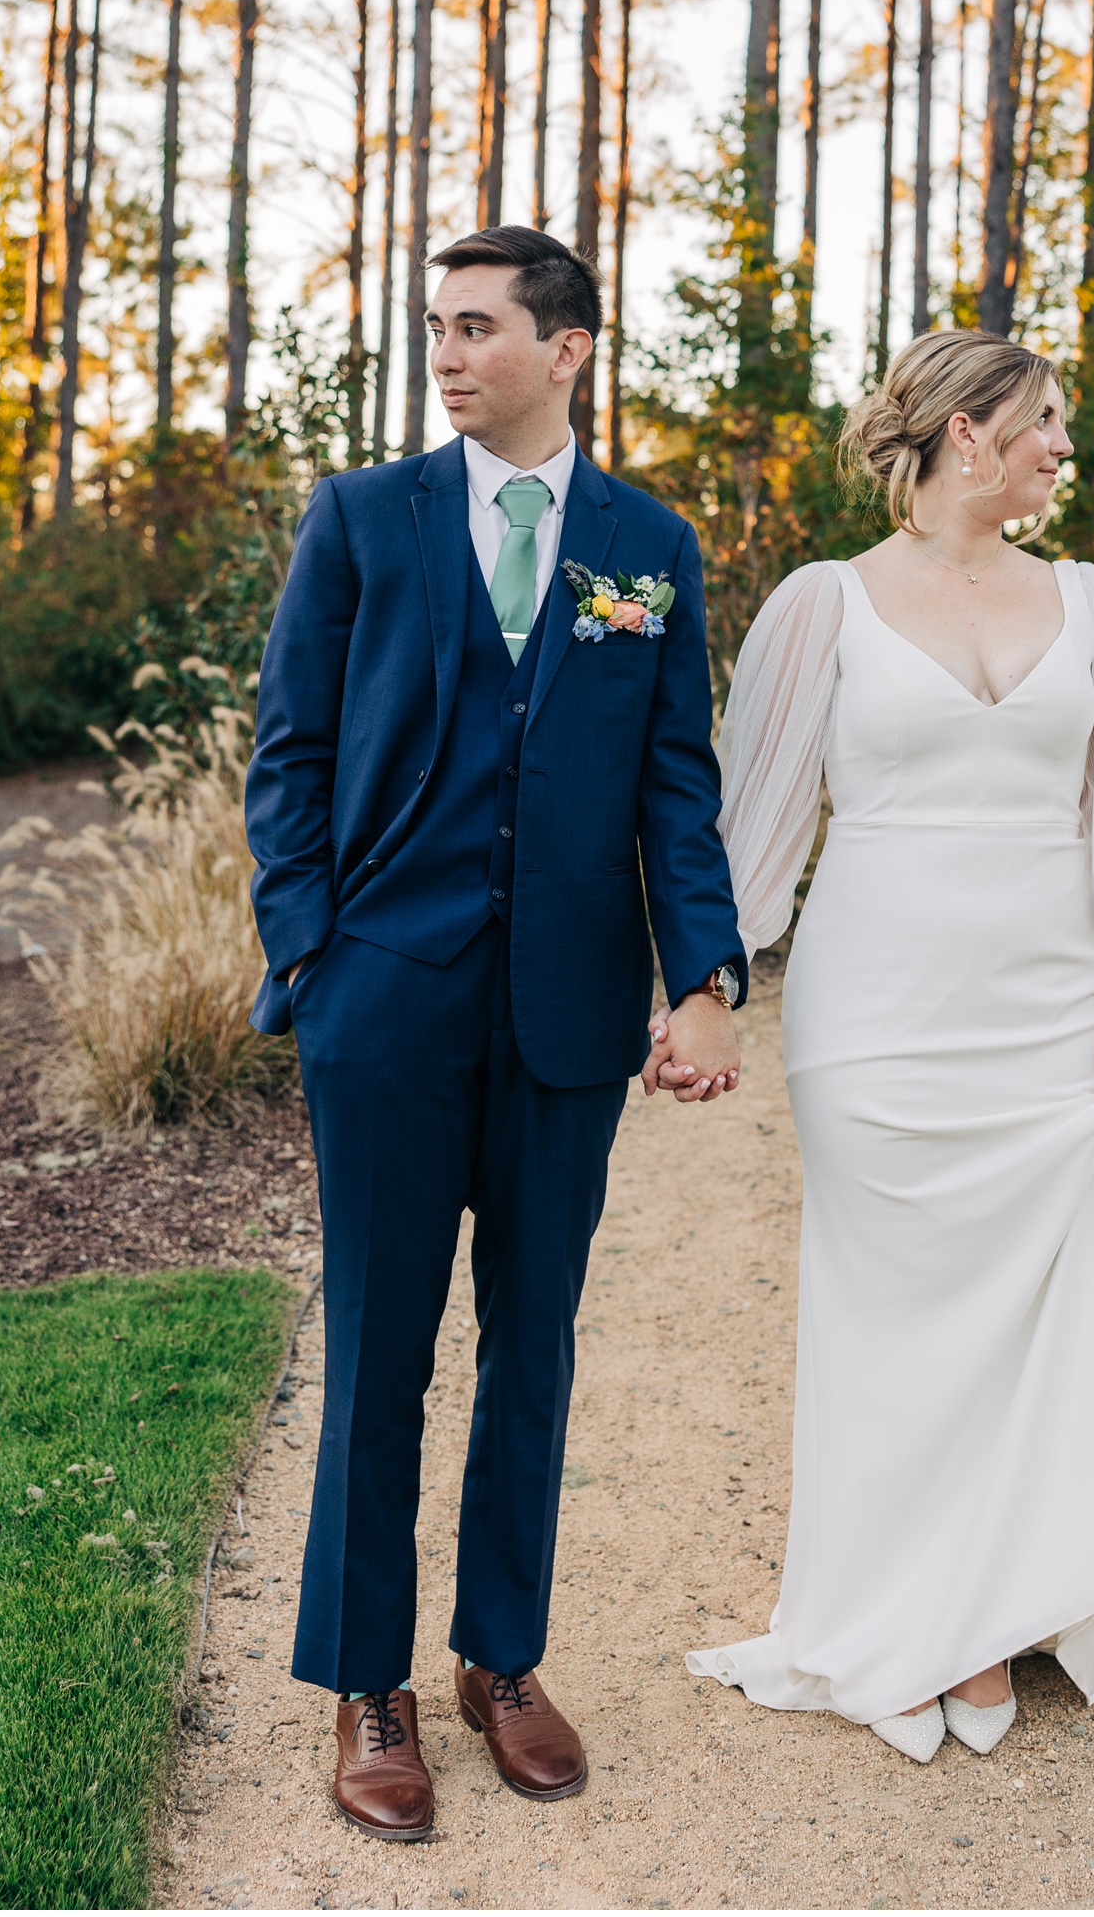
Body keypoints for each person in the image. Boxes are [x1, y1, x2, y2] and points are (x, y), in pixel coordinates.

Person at [245, 225, 747, 1842]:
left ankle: (501, 1661)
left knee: (532, 1351)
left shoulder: (644, 545)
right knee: (381, 1359)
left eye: (476, 329)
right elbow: (288, 763)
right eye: (437, 330)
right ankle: (366, 1686)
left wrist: (705, 978)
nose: (447, 356)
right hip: (382, 1009)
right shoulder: (364, 522)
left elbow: (678, 784)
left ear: (569, 346)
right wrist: (316, 959)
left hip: (564, 1022)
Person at [674, 328, 1094, 1762]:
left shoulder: (1088, 603)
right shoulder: (822, 607)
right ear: (969, 432)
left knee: (1034, 1312)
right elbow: (757, 821)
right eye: (1045, 426)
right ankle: (904, 1611)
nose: (1061, 452)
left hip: (1046, 1012)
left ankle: (989, 1610)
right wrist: (707, 982)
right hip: (878, 1016)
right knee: (893, 1314)